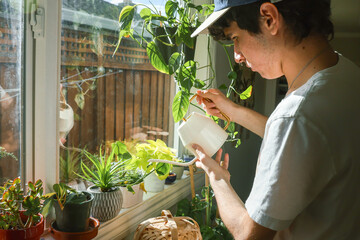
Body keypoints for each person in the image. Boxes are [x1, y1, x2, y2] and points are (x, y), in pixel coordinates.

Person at [191, 0, 360, 239]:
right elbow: (303, 140)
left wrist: (217, 177)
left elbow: (248, 234)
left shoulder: (297, 116)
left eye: (235, 37)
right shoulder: (346, 73)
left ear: (269, 18)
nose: (237, 56)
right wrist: (234, 111)